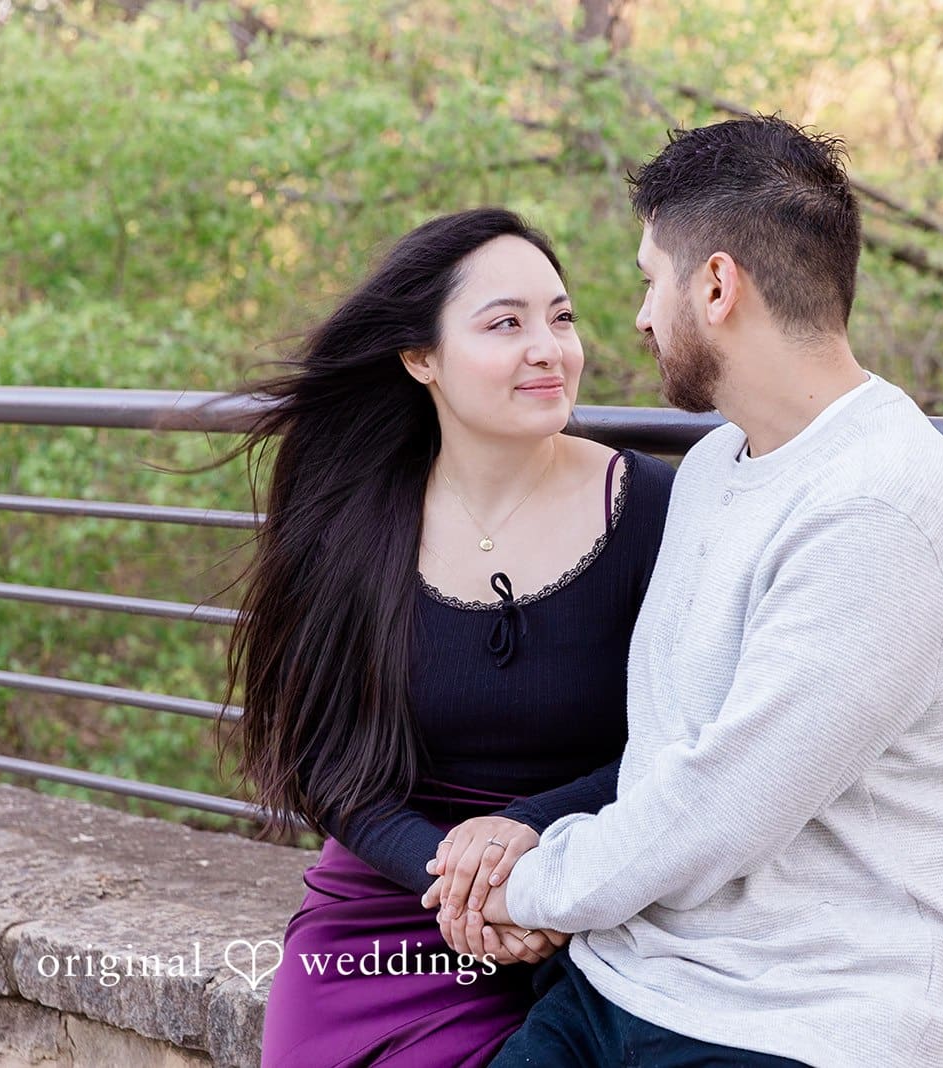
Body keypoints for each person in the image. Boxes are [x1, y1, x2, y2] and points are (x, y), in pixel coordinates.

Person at [423, 118, 943, 1067]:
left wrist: (527, 888)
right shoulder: (712, 468)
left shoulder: (879, 503)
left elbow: (723, 807)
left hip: (811, 1016)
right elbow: (671, 756)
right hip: (632, 977)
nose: (644, 317)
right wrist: (534, 852)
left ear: (717, 285)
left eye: (653, 279)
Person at [219, 207, 674, 1066]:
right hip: (387, 913)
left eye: (562, 316)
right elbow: (322, 763)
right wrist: (457, 883)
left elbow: (690, 742)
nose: (550, 347)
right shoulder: (356, 515)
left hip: (582, 912)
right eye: (506, 323)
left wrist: (530, 847)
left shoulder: (655, 510)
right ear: (420, 356)